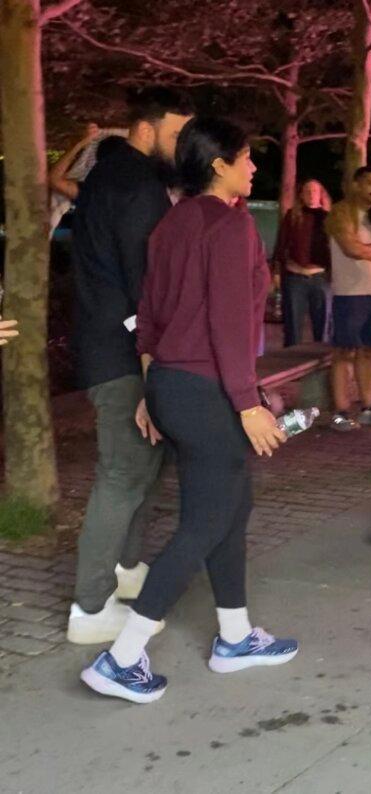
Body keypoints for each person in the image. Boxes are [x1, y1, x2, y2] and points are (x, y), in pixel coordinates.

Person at [80, 116, 299, 704]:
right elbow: (229, 324)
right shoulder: (231, 226)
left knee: (231, 503)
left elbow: (147, 317)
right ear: (220, 163)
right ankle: (123, 657)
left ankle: (234, 635)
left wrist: (154, 393)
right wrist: (248, 402)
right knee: (206, 519)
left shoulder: (172, 222)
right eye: (248, 158)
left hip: (173, 385)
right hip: (207, 388)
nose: (254, 167)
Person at [67, 87, 194, 646]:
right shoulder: (137, 184)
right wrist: (153, 364)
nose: (183, 144)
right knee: (122, 473)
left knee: (142, 466)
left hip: (107, 344)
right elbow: (149, 285)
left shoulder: (108, 174)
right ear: (148, 127)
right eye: (177, 132)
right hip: (121, 353)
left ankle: (123, 571)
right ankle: (89, 609)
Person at [325, 166, 371, 431]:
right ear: (355, 185)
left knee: (367, 352)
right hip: (348, 294)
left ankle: (368, 407)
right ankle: (340, 412)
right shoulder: (341, 213)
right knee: (344, 352)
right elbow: (351, 248)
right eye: (369, 183)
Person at [273, 179, 333, 347]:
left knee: (323, 329)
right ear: (301, 195)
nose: (311, 195)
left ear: (321, 195)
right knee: (292, 328)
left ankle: (320, 367)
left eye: (315, 191)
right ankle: (292, 367)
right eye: (307, 191)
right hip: (295, 277)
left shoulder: (329, 218)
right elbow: (281, 244)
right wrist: (277, 272)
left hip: (320, 277)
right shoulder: (293, 215)